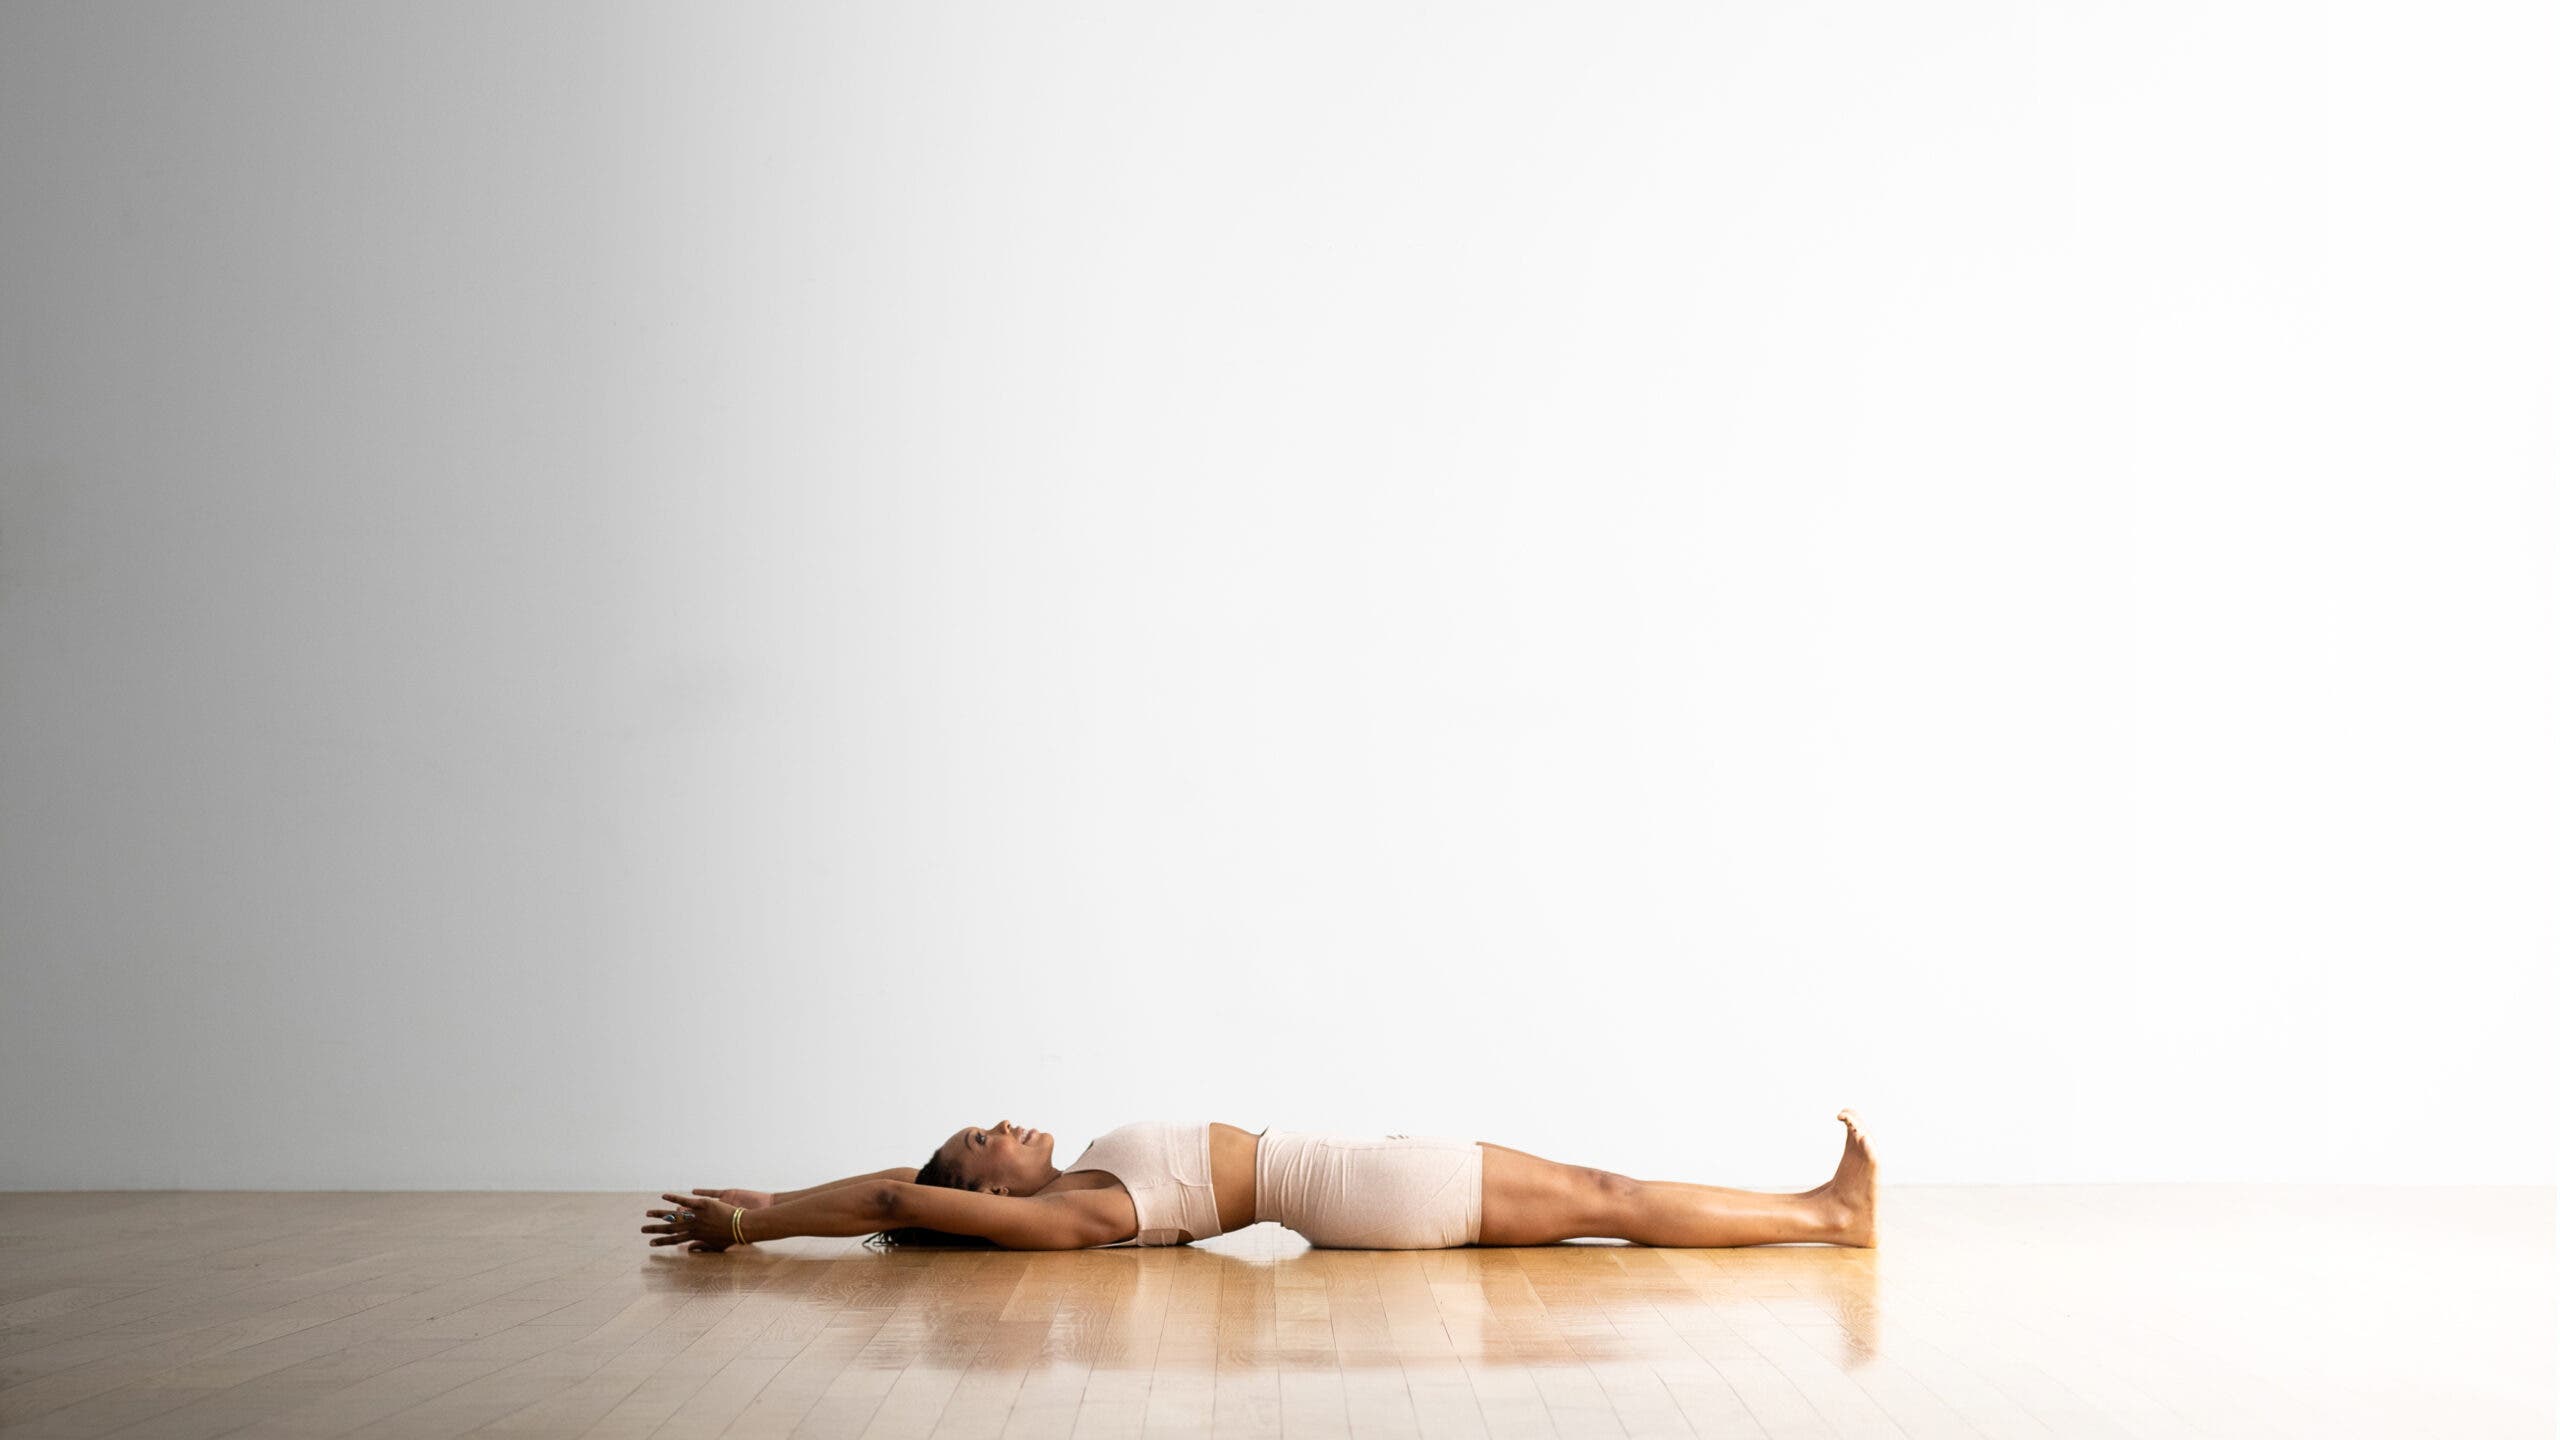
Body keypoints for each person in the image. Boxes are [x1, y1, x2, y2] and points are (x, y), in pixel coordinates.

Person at [642, 1110, 1878, 1253]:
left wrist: (756, 1206)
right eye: (983, 1140)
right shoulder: (1082, 1213)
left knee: (1601, 1196)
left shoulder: (1070, 1180)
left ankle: (1821, 1217)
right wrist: (754, 1238)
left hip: (1351, 1172)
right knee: (1604, 1200)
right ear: (996, 1194)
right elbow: (898, 1198)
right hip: (1354, 1196)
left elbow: (879, 1181)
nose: (998, 1123)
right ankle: (1826, 1218)